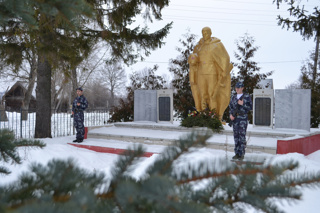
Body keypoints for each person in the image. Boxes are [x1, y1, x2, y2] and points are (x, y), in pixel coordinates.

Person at [188, 26, 233, 119]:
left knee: (212, 95)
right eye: (203, 33)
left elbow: (225, 58)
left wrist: (224, 71)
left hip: (212, 73)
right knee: (203, 95)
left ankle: (214, 117)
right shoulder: (198, 46)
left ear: (210, 33)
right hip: (200, 73)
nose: (204, 34)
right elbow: (193, 59)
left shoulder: (216, 45)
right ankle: (203, 116)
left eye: (206, 32)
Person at [229, 82, 252, 160]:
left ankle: (241, 154)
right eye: (236, 88)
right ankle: (236, 153)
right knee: (236, 137)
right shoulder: (233, 97)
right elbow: (231, 107)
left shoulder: (246, 96)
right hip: (235, 119)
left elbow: (250, 107)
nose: (237, 89)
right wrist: (231, 115)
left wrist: (243, 104)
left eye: (239, 88)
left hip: (242, 119)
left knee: (242, 136)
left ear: (242, 88)